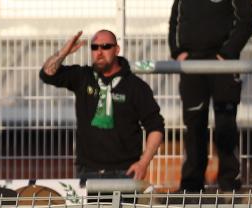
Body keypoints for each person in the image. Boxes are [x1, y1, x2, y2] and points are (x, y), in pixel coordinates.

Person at [40, 30, 164, 180]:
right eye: (94, 47)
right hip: (87, 171)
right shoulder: (83, 77)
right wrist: (63, 53)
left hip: (124, 171)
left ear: (117, 50)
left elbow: (156, 126)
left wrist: (143, 163)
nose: (99, 52)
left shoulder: (135, 86)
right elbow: (47, 74)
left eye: (105, 47)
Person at [169, 0, 252, 193]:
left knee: (226, 123)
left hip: (223, 64)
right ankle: (192, 185)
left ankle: (229, 182)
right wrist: (178, 52)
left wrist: (227, 52)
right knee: (194, 124)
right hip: (192, 65)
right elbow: (175, 19)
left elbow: (248, 20)